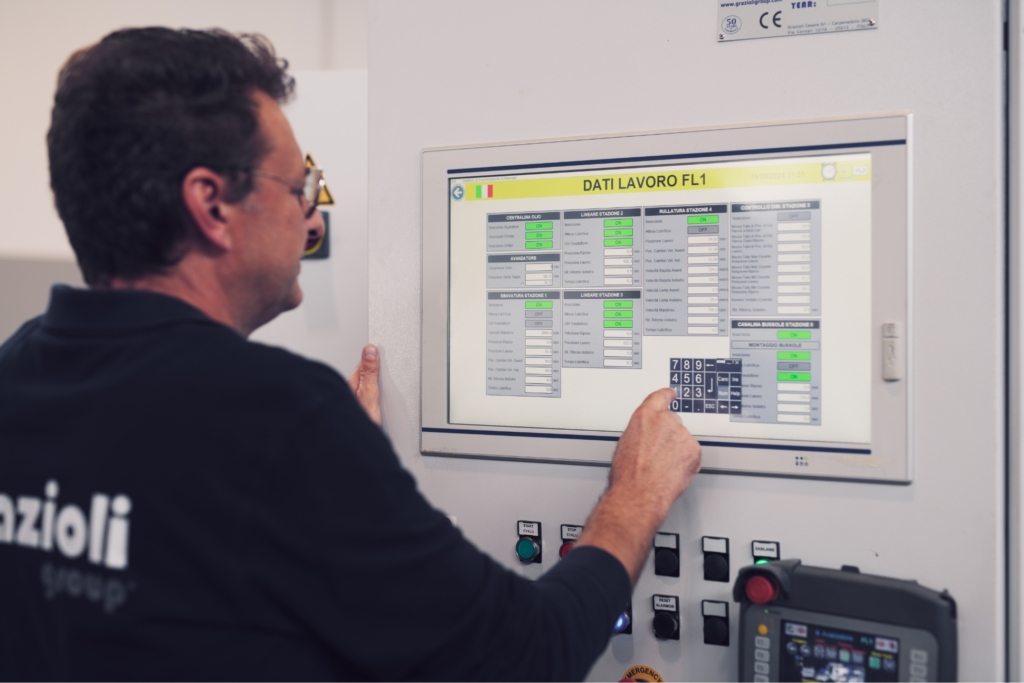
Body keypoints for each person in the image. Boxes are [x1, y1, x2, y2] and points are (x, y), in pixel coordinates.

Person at [0, 27, 702, 681]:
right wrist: (635, 495)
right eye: (297, 188)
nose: (313, 221)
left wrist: (332, 479)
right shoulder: (276, 418)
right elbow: (524, 656)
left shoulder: (18, 372)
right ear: (211, 205)